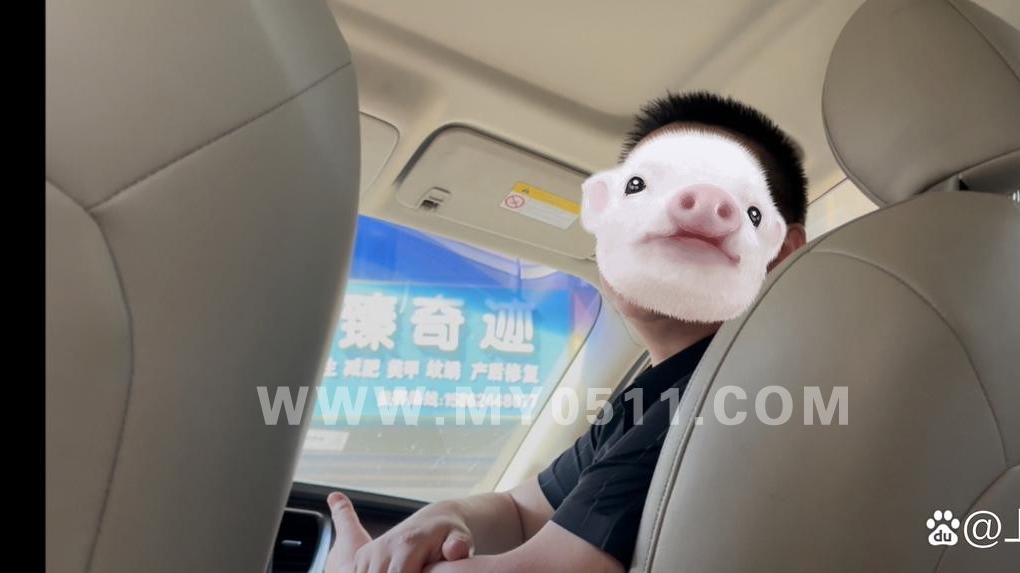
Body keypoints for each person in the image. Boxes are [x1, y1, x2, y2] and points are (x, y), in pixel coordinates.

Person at [325, 92, 809, 573]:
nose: (690, 206)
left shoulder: (717, 400)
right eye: (640, 188)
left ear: (780, 254)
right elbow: (521, 511)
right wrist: (449, 515)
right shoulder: (654, 397)